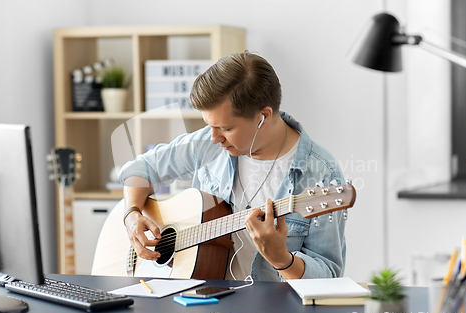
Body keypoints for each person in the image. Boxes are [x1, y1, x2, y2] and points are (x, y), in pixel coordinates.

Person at [119, 51, 346, 282]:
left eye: (226, 128)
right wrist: (131, 215)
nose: (213, 138)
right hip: (202, 303)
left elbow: (328, 275)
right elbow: (138, 170)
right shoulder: (206, 144)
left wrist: (282, 260)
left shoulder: (321, 173)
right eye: (209, 125)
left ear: (263, 117)